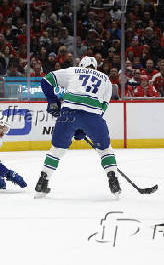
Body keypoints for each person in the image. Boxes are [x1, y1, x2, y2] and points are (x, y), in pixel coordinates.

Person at [35, 56, 122, 198]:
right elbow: (103, 107)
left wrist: (53, 102)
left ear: (82, 65)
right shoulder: (106, 79)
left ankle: (42, 181)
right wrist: (84, 127)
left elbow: (46, 80)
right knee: (105, 149)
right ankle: (113, 179)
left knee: (57, 149)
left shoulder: (74, 71)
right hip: (92, 116)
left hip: (68, 113)